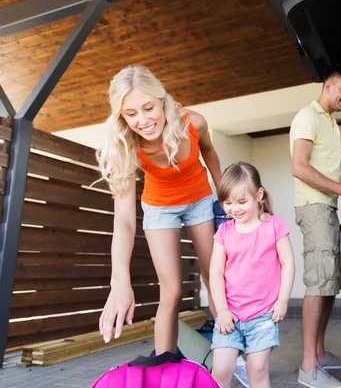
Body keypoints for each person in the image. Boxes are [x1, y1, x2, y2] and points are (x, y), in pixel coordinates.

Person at [96, 64, 223, 356]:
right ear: (121, 116)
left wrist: (225, 193)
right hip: (159, 207)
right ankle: (164, 367)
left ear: (162, 99)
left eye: (148, 107)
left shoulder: (194, 123)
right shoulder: (125, 146)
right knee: (172, 292)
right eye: (131, 114)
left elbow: (210, 153)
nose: (143, 120)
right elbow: (125, 221)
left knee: (213, 276)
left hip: (199, 198)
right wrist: (119, 283)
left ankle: (228, 351)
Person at [290, 65, 341, 388]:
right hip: (313, 208)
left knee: (328, 283)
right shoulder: (307, 116)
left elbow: (325, 170)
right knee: (317, 284)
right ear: (328, 85)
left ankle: (320, 354)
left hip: (328, 208)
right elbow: (298, 167)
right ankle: (308, 367)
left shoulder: (331, 125)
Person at [209, 162, 295, 388]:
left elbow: (288, 263)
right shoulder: (224, 232)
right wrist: (222, 310)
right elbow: (216, 273)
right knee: (220, 370)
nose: (234, 209)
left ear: (259, 195)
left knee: (256, 369)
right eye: (227, 203)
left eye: (241, 202)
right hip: (231, 315)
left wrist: (283, 299)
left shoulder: (274, 226)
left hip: (263, 315)